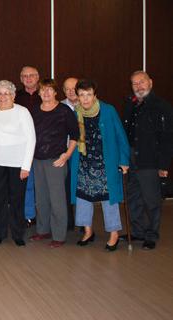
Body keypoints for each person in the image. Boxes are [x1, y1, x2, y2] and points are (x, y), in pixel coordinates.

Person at [70, 79, 130, 251]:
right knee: (83, 197)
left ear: (95, 95)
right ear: (78, 97)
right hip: (83, 163)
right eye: (82, 95)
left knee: (108, 199)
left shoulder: (108, 110)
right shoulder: (76, 112)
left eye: (89, 94)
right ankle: (87, 231)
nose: (85, 98)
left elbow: (120, 136)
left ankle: (113, 233)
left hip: (105, 163)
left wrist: (124, 161)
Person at [121, 71, 173, 250]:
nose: (138, 86)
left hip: (150, 160)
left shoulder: (161, 106)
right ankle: (137, 231)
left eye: (141, 82)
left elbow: (167, 138)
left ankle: (151, 235)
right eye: (134, 84)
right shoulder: (131, 104)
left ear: (150, 82)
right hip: (131, 159)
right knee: (133, 197)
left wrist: (164, 165)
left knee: (151, 200)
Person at [29, 79, 78, 248]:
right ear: (39, 93)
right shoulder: (34, 111)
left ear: (56, 92)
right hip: (37, 160)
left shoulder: (64, 111)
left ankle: (59, 235)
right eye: (43, 90)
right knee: (41, 198)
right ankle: (43, 230)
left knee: (57, 199)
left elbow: (75, 136)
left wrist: (66, 156)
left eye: (50, 90)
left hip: (56, 160)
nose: (46, 93)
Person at [0, 80, 35, 246]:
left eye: (6, 93)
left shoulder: (22, 112)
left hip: (17, 164)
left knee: (17, 199)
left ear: (13, 95)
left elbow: (31, 140)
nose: (3, 96)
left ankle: (17, 234)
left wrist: (26, 166)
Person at [15, 66, 41, 227]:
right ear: (21, 78)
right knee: (28, 184)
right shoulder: (15, 96)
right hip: (23, 146)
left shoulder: (45, 94)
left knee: (44, 185)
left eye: (32, 75)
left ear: (38, 77)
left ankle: (45, 216)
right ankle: (29, 216)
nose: (29, 78)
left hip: (45, 146)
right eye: (25, 76)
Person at [61, 77, 79, 230]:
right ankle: (68, 221)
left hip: (85, 155)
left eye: (74, 88)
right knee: (65, 189)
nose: (71, 91)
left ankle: (84, 223)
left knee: (81, 189)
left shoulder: (89, 104)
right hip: (66, 155)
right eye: (67, 89)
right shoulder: (59, 107)